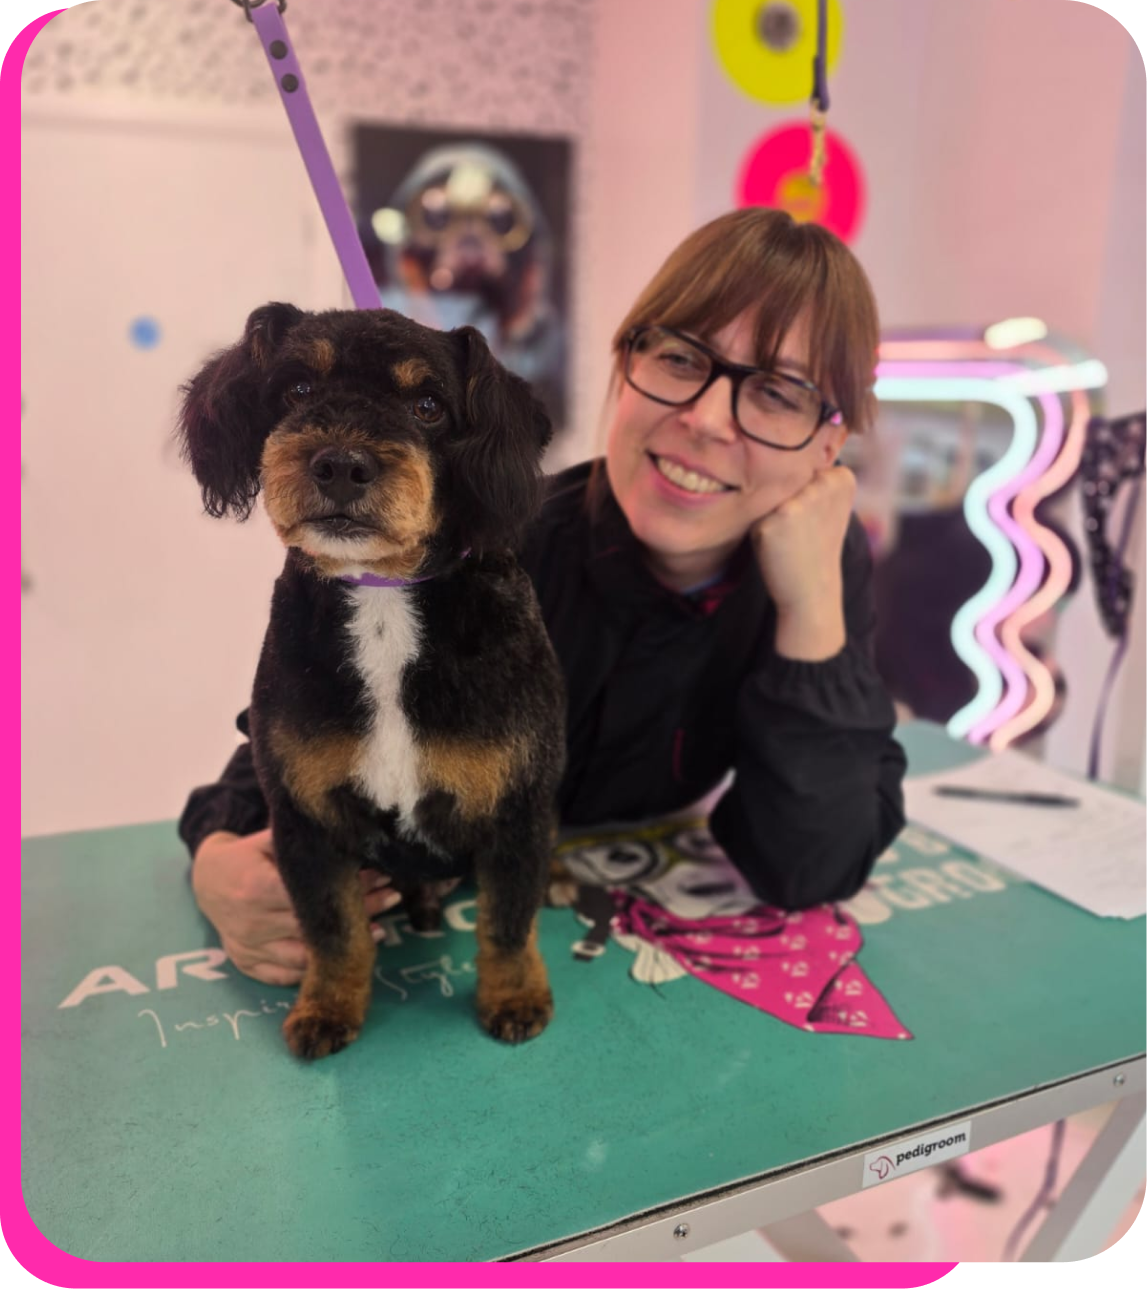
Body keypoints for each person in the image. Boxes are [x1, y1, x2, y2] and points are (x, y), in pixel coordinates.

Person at [179, 206, 907, 986]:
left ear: (828, 445)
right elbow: (293, 748)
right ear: (625, 362)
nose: (705, 419)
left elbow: (808, 869)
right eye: (680, 358)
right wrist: (217, 858)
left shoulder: (813, 570)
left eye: (776, 392)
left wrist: (810, 609)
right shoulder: (486, 543)